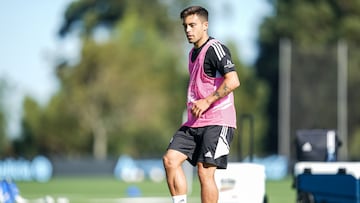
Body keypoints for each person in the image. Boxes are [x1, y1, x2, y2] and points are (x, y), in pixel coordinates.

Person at [162, 6, 240, 203]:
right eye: (185, 26)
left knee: (204, 173)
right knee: (170, 160)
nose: (188, 30)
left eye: (192, 25)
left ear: (205, 25)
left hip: (218, 120)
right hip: (194, 122)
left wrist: (207, 101)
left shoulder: (215, 48)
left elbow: (233, 81)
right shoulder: (191, 54)